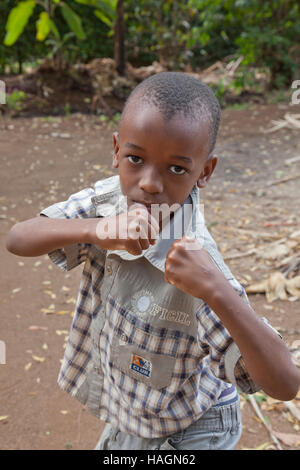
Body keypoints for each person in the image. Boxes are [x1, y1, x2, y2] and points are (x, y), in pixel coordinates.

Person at [6, 72, 299, 451]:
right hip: (138, 410)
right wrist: (97, 229)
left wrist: (215, 290)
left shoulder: (199, 268)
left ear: (204, 172)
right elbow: (18, 238)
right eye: (135, 158)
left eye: (176, 168)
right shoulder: (106, 203)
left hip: (193, 427)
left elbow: (284, 383)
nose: (149, 183)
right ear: (116, 151)